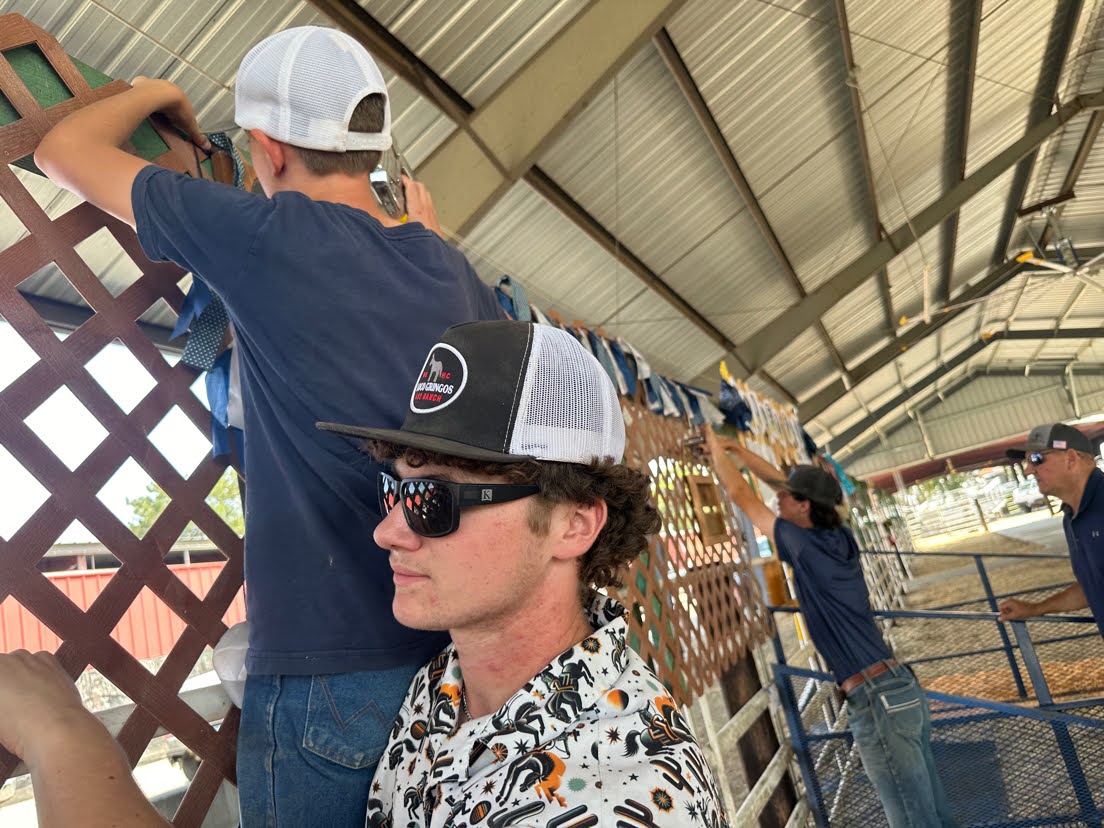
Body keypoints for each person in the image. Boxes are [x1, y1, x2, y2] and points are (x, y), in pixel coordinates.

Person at [33, 26, 503, 826]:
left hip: (328, 671)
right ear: (372, 148)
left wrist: (158, 93)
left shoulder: (267, 237)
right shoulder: (449, 270)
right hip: (451, 663)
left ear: (268, 150)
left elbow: (61, 150)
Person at [0, 320, 729, 828]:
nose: (388, 530)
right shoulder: (445, 686)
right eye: (394, 489)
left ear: (574, 523)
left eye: (435, 499)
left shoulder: (619, 796)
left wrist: (59, 733)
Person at [705, 430, 956, 828]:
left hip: (877, 699)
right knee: (931, 812)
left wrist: (714, 444)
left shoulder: (805, 546)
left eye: (786, 497)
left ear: (804, 506)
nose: (777, 499)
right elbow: (782, 484)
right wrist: (737, 449)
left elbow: (741, 496)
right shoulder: (837, 537)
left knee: (912, 819)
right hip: (894, 690)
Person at [997, 423, 1103, 637]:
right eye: (1026, 462)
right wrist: (1034, 609)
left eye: (1036, 459)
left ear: (1071, 458)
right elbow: (1093, 585)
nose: (1028, 470)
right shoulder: (1071, 517)